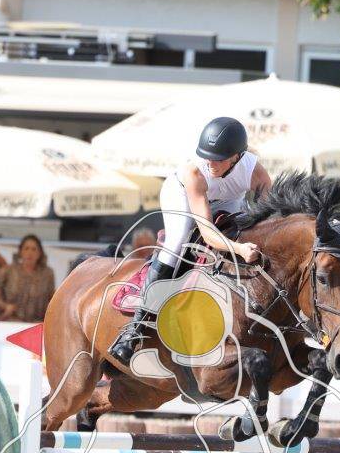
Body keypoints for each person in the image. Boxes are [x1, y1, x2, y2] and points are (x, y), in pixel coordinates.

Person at [109, 116, 273, 364]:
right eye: (207, 157)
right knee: (177, 243)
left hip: (229, 201)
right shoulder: (195, 171)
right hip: (182, 195)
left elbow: (270, 217)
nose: (211, 163)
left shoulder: (255, 173)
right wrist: (239, 249)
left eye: (218, 159)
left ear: (237, 157)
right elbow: (207, 232)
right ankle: (135, 329)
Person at [0, 234, 56, 323]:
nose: (30, 253)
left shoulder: (48, 273)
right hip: (10, 321)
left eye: (34, 249)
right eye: (26, 248)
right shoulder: (8, 270)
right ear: (20, 252)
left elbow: (52, 300)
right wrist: (5, 307)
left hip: (36, 323)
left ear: (39, 253)